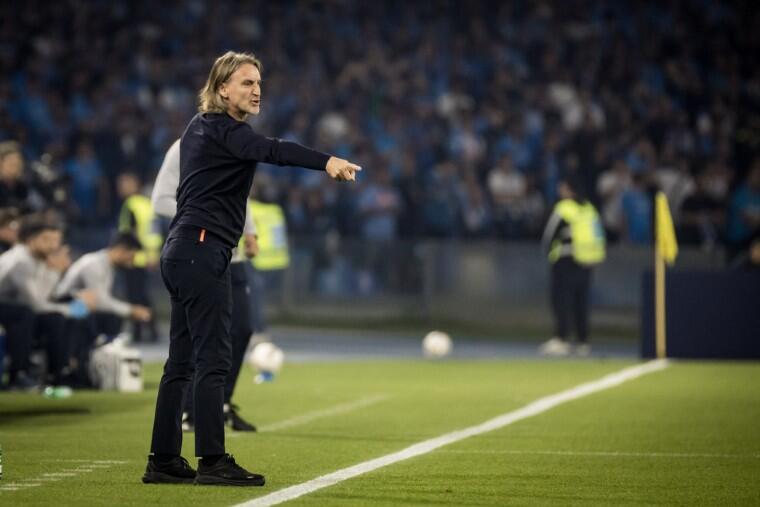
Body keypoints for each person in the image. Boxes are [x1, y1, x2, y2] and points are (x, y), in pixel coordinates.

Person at [143, 51, 360, 486]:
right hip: (201, 249)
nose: (257, 90)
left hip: (184, 249)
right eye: (246, 82)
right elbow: (273, 150)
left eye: (259, 83)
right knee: (213, 359)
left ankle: (163, 460)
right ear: (222, 88)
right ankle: (212, 461)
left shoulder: (199, 127)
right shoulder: (226, 130)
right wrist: (327, 161)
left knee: (181, 363)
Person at [151, 137, 260, 432]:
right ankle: (190, 411)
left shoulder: (236, 142)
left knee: (241, 328)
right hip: (200, 250)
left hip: (232, 254)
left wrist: (250, 231)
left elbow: (238, 194)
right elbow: (160, 200)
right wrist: (207, 217)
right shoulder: (186, 145)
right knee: (198, 337)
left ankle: (221, 404)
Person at [0, 215, 97, 388]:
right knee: (26, 313)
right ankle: (19, 374)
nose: (53, 245)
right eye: (47, 240)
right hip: (12, 310)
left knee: (57, 319)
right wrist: (74, 308)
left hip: (19, 310)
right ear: (31, 239)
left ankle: (59, 375)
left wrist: (74, 301)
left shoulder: (37, 258)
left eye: (56, 240)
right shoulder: (21, 261)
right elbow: (36, 304)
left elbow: (44, 297)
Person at [53, 232, 151, 385]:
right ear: (121, 249)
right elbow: (99, 301)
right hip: (65, 306)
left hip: (80, 307)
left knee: (111, 318)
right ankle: (78, 370)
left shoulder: (106, 265)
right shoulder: (94, 264)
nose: (132, 261)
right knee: (103, 318)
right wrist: (131, 310)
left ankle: (100, 367)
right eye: (131, 255)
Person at [539, 177, 606, 357]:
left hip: (565, 259)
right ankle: (583, 341)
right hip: (587, 260)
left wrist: (548, 254)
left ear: (569, 190)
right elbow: (598, 234)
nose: (560, 190)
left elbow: (549, 235)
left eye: (562, 187)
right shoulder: (589, 209)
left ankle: (561, 339)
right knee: (581, 301)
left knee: (561, 299)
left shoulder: (564, 208)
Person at [117, 172, 161, 342]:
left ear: (135, 184)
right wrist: (152, 254)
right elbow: (153, 232)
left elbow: (129, 233)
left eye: (125, 183)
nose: (121, 187)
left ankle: (138, 332)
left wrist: (124, 253)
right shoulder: (146, 203)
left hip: (133, 257)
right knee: (142, 295)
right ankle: (152, 330)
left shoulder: (131, 204)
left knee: (135, 296)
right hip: (146, 256)